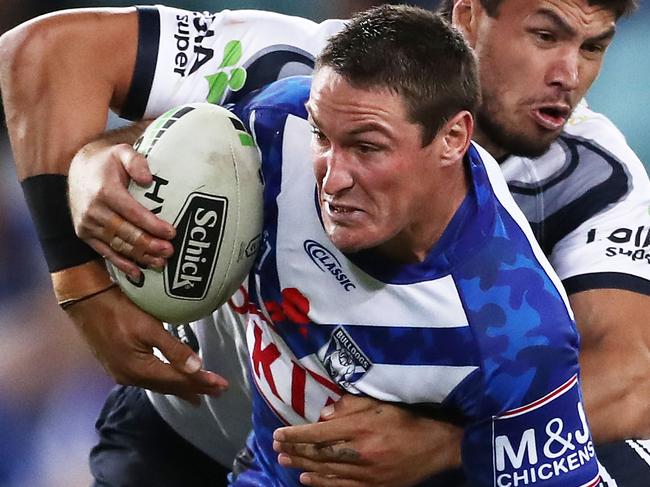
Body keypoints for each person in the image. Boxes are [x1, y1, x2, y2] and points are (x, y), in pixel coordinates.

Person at [1, 0, 648, 485]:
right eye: (545, 34)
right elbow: (46, 53)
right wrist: (81, 268)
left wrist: (443, 444)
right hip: (186, 430)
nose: (569, 73)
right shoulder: (303, 75)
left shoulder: (591, 181)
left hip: (373, 463)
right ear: (471, 15)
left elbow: (632, 379)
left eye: (593, 48)